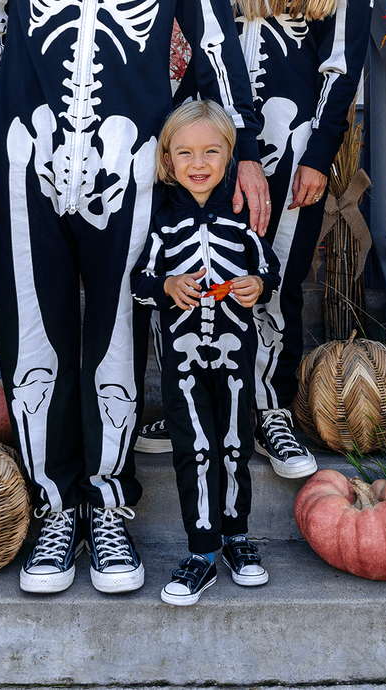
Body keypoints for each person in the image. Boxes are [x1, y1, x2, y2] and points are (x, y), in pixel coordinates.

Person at [0, 0, 269, 596]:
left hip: (131, 157)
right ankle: (55, 509)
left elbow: (210, 41)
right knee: (37, 337)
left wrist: (238, 149)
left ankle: (108, 509)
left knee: (114, 338)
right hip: (29, 148)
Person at [138, 0, 374, 479]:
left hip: (296, 133)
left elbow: (343, 59)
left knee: (277, 271)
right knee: (184, 257)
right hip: (205, 126)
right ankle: (174, 405)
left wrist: (320, 152)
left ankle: (268, 406)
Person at [131, 100, 281, 605]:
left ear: (230, 157)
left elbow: (269, 267)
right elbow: (140, 283)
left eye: (212, 151)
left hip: (236, 360)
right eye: (186, 152)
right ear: (167, 160)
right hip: (184, 361)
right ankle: (202, 550)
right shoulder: (161, 224)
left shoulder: (240, 223)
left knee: (235, 446)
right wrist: (168, 284)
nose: (199, 163)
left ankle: (237, 538)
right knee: (193, 450)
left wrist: (257, 285)